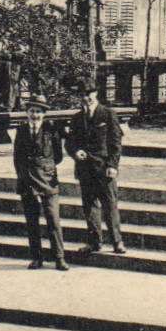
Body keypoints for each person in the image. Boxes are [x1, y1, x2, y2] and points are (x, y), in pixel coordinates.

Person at [66, 83, 125, 255]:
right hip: (85, 169)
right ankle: (94, 242)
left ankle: (117, 242)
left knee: (110, 206)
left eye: (89, 94)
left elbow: (116, 144)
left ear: (96, 93)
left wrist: (113, 165)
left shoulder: (108, 114)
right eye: (82, 95)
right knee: (90, 207)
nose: (85, 98)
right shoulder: (77, 118)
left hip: (104, 169)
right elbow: (70, 143)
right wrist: (76, 152)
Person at [11, 95, 68, 271]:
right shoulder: (21, 131)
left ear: (44, 114)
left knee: (53, 220)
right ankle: (36, 258)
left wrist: (45, 168)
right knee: (32, 222)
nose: (34, 115)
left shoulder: (51, 130)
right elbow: (17, 157)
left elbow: (58, 156)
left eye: (38, 112)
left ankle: (59, 258)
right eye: (31, 111)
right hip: (27, 181)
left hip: (48, 181)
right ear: (27, 113)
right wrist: (23, 176)